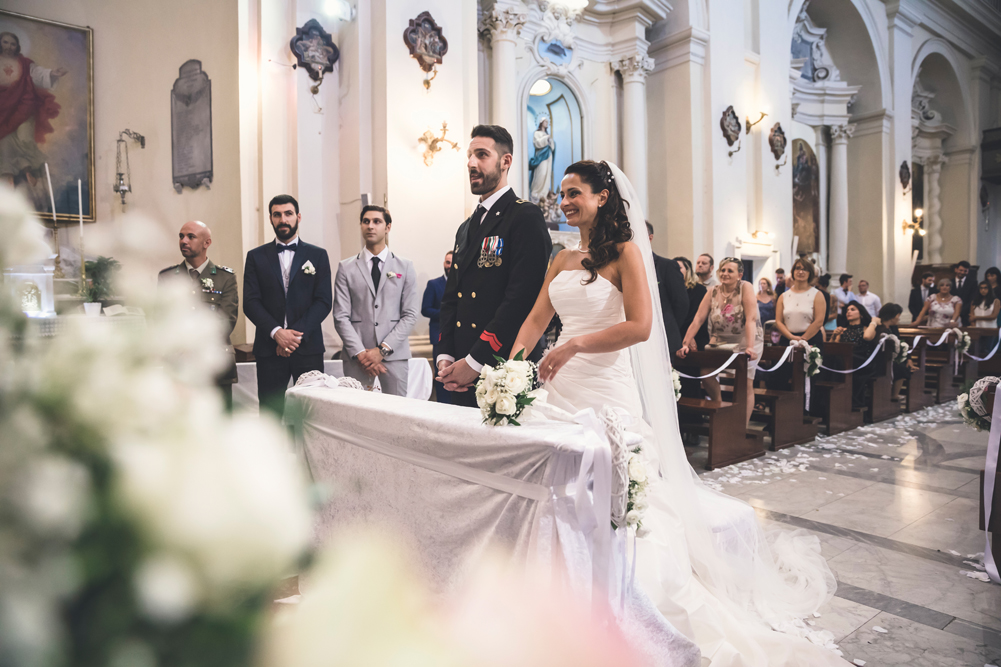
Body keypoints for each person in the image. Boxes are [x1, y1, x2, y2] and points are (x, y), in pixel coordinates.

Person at [511, 160, 843, 667]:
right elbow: (537, 319)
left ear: (603, 197)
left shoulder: (625, 254)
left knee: (619, 495)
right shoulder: (560, 259)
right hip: (561, 389)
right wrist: (512, 373)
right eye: (562, 193)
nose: (565, 200)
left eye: (575, 192)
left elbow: (642, 327)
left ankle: (622, 596)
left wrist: (574, 345)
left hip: (605, 387)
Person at [436, 125, 552, 408]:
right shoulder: (466, 227)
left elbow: (521, 300)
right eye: (469, 156)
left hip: (502, 367)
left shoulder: (524, 216)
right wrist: (446, 356)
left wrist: (475, 362)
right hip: (460, 367)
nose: (471, 164)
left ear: (505, 161)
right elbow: (452, 298)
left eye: (481, 155)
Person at [243, 194, 332, 417]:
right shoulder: (256, 257)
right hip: (269, 348)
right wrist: (277, 333)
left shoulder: (318, 255)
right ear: (271, 219)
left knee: (311, 414)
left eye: (288, 214)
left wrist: (294, 336)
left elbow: (323, 301)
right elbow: (250, 302)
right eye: (277, 215)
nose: (283, 219)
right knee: (271, 414)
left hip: (307, 347)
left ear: (298, 217)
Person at [333, 206, 419, 397]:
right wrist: (362, 354)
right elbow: (340, 316)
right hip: (357, 358)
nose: (370, 226)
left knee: (396, 415)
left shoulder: (404, 267)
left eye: (376, 221)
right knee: (357, 415)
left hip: (394, 356)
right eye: (366, 221)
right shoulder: (346, 268)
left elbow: (410, 314)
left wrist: (382, 351)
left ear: (387, 227)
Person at [158, 220, 238, 411]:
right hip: (178, 365)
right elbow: (161, 320)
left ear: (206, 243)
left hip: (215, 365)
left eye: (191, 236)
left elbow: (226, 320)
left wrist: (194, 347)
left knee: (220, 425)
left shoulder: (225, 277)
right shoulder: (167, 277)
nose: (184, 241)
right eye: (181, 236)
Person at [679, 257, 763, 425]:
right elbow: (698, 319)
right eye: (722, 270)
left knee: (745, 384)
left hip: (746, 339)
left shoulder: (745, 288)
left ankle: (742, 428)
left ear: (739, 274)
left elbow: (751, 319)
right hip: (720, 341)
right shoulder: (712, 291)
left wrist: (750, 347)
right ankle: (720, 409)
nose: (725, 274)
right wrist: (685, 343)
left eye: (730, 271)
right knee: (706, 373)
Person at [0, 31, 66, 191]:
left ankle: (28, 170)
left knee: (25, 139)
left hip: (23, 108)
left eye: (12, 43)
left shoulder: (24, 63)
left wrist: (52, 73)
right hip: (2, 110)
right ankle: (10, 178)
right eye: (5, 42)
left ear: (17, 46)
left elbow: (37, 73)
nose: (9, 46)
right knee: (4, 144)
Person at [766, 258, 826, 394]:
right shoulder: (784, 296)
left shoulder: (817, 294)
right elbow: (779, 321)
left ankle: (806, 410)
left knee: (807, 378)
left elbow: (819, 321)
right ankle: (782, 410)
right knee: (779, 376)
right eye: (798, 268)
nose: (801, 271)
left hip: (810, 340)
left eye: (804, 269)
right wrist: (791, 337)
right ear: (793, 272)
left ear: (810, 273)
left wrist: (803, 339)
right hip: (788, 339)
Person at [646, 221, 689, 354]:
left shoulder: (666, 266)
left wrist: (668, 326)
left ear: (650, 238)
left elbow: (681, 303)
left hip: (663, 336)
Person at [832, 302, 878, 409]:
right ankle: (835, 398)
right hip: (845, 361)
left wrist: (874, 322)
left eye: (853, 309)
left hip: (862, 362)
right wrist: (835, 335)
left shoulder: (866, 329)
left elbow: (867, 337)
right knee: (834, 358)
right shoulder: (843, 330)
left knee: (839, 359)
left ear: (861, 314)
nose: (849, 312)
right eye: (847, 310)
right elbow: (834, 348)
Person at [422, 251, 453, 403]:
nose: (450, 266)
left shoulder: (464, 284)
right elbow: (425, 309)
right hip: (438, 337)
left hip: (459, 337)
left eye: (453, 263)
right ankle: (442, 405)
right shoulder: (433, 284)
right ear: (443, 263)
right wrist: (447, 313)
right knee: (442, 375)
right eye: (448, 262)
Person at [876, 303, 916, 402]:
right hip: (879, 360)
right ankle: (892, 395)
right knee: (900, 368)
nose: (899, 319)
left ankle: (894, 394)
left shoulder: (893, 328)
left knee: (901, 366)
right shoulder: (879, 328)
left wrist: (908, 358)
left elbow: (900, 343)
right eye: (898, 316)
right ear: (891, 316)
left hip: (888, 358)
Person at [971, 281, 1001, 357]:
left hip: (990, 329)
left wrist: (977, 317)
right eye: (981, 288)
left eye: (985, 288)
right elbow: (972, 317)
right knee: (976, 351)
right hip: (977, 330)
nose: (983, 290)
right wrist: (973, 326)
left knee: (987, 351)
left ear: (989, 289)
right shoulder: (974, 302)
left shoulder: (996, 301)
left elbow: (993, 316)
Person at [528, 117, 555, 203]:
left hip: (548, 156)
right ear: (541, 123)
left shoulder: (547, 134)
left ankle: (544, 194)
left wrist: (550, 141)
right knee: (541, 173)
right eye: (545, 121)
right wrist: (546, 138)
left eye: (547, 122)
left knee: (547, 174)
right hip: (541, 157)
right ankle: (536, 193)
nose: (546, 123)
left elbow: (553, 147)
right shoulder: (537, 133)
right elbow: (537, 143)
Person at [950, 260, 976, 325]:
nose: (962, 272)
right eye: (960, 270)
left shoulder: (973, 283)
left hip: (966, 314)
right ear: (956, 270)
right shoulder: (950, 282)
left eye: (965, 271)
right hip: (951, 313)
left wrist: (961, 311)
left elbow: (972, 299)